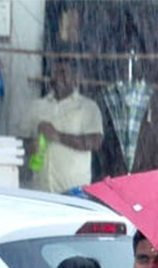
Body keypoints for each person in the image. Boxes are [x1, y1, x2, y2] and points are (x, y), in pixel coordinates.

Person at [21, 58, 103, 195]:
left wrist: (58, 136)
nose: (58, 78)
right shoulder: (36, 106)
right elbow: (18, 143)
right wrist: (30, 145)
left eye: (64, 73)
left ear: (76, 78)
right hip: (40, 190)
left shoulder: (87, 107)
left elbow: (95, 142)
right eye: (54, 73)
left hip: (74, 191)